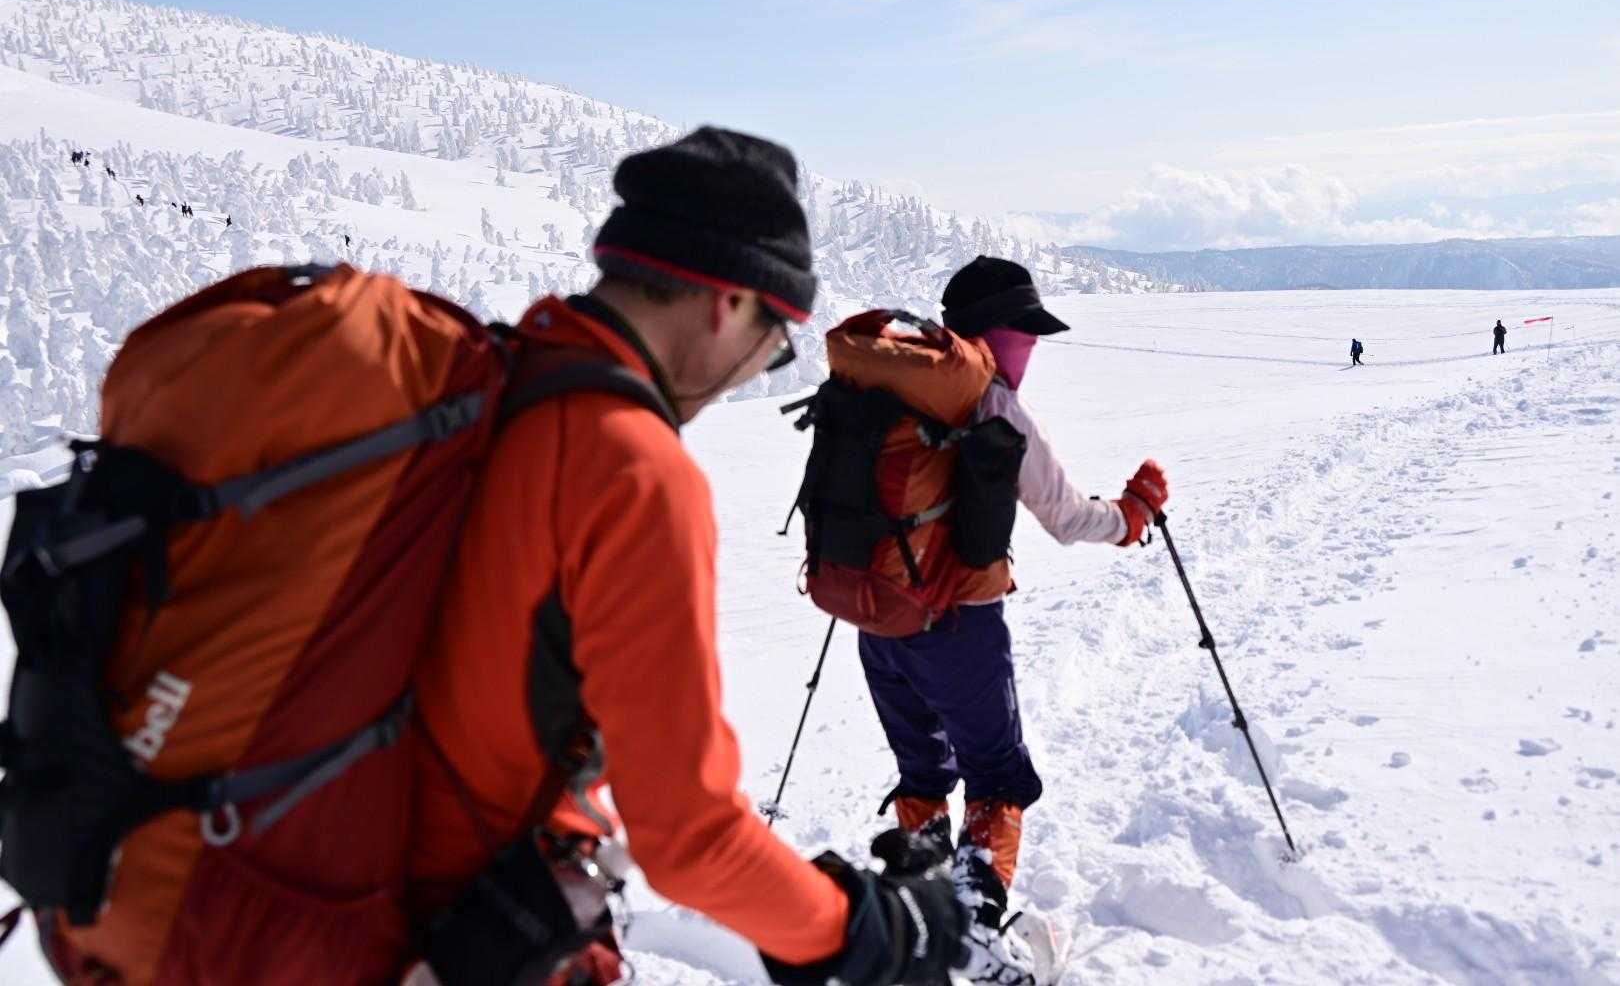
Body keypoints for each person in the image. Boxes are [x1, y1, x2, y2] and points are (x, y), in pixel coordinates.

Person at [407, 128, 967, 986]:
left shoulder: (486, 389)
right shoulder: (629, 469)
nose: (757, 368)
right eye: (775, 340)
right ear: (727, 303)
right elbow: (688, 836)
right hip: (442, 927)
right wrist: (873, 930)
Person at [860, 256, 1170, 940]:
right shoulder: (992, 403)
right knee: (997, 777)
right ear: (998, 334)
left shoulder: (890, 387)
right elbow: (1066, 517)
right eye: (1024, 334)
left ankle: (915, 908)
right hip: (957, 626)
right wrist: (1131, 517)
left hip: (873, 617)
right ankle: (974, 934)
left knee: (922, 770)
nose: (1028, 347)